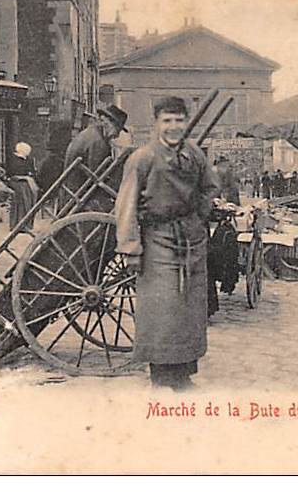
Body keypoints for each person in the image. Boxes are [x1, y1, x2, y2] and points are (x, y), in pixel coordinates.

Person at [114, 96, 220, 391]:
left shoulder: (195, 155)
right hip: (158, 241)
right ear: (156, 123)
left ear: (186, 122)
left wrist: (198, 214)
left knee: (189, 309)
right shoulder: (143, 158)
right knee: (163, 309)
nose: (174, 127)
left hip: (191, 241)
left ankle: (184, 373)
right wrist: (131, 247)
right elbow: (126, 205)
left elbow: (211, 187)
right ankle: (160, 375)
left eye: (179, 120)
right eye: (167, 121)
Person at [64, 104, 128, 212]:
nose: (117, 135)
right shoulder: (98, 142)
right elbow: (98, 177)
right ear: (106, 123)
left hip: (75, 195)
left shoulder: (90, 134)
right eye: (117, 129)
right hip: (82, 200)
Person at [6, 142, 38, 231]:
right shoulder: (14, 160)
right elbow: (11, 172)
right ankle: (18, 224)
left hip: (26, 183)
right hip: (17, 183)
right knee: (21, 200)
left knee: (28, 199)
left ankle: (26, 224)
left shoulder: (29, 160)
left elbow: (32, 172)